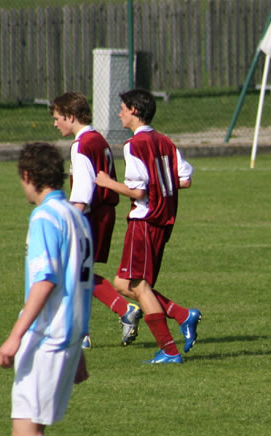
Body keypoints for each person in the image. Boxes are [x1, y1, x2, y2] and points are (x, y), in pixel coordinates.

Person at [0, 143, 134, 436]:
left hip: (46, 339)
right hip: (67, 337)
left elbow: (46, 281)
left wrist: (14, 335)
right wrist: (79, 347)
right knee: (30, 434)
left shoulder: (44, 216)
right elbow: (79, 285)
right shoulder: (77, 218)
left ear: (27, 178)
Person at [95, 89, 201, 364]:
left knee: (139, 287)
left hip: (144, 220)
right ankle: (181, 314)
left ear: (134, 110)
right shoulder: (165, 141)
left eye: (122, 108)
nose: (119, 113)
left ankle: (169, 349)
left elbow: (137, 191)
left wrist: (107, 183)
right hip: (163, 222)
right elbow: (185, 179)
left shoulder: (133, 145)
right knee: (122, 282)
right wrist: (159, 183)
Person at [50, 92, 143, 348]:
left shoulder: (81, 145)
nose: (56, 123)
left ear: (70, 116)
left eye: (58, 118)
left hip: (89, 216)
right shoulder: (97, 138)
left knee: (75, 272)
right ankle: (84, 333)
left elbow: (82, 193)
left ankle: (117, 313)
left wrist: (64, 222)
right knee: (78, 272)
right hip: (103, 214)